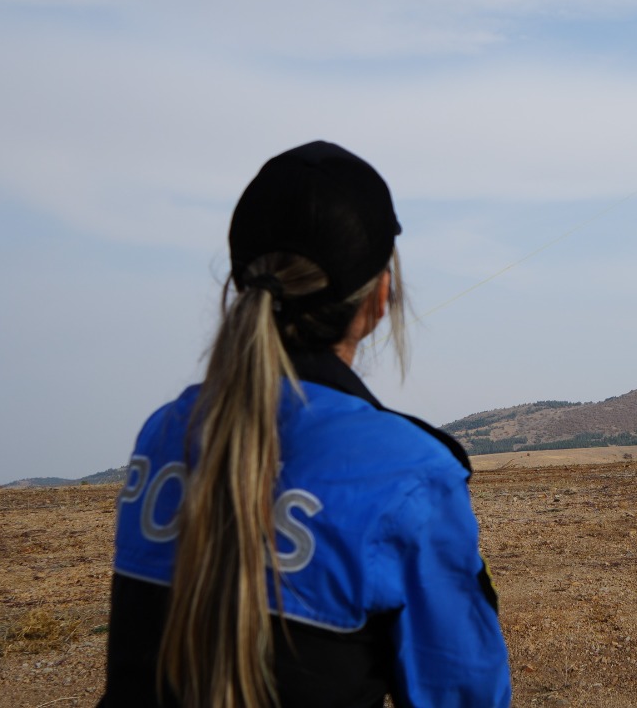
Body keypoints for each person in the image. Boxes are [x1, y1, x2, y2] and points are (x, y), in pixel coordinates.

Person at [98, 141, 510, 708]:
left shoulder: (164, 434)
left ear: (243, 284)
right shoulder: (410, 475)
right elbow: (464, 693)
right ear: (380, 295)